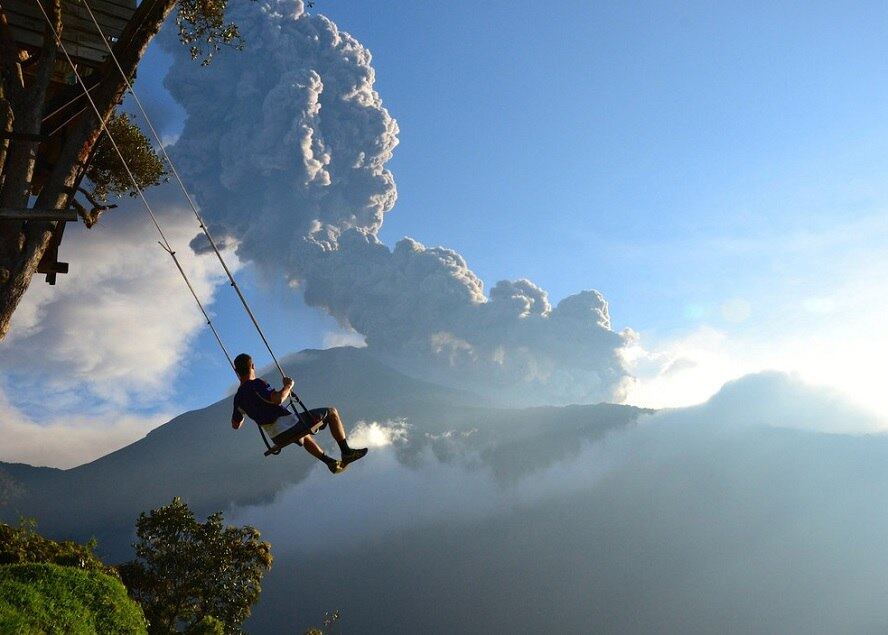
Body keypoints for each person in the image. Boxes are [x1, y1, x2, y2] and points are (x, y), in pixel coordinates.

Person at [230, 353, 367, 474]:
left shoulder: (238, 399)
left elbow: (236, 425)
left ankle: (330, 462)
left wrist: (247, 410)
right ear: (253, 366)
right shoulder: (257, 383)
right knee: (332, 412)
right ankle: (346, 452)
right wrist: (288, 386)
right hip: (289, 425)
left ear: (236, 371)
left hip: (276, 437)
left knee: (305, 436)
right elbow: (278, 399)